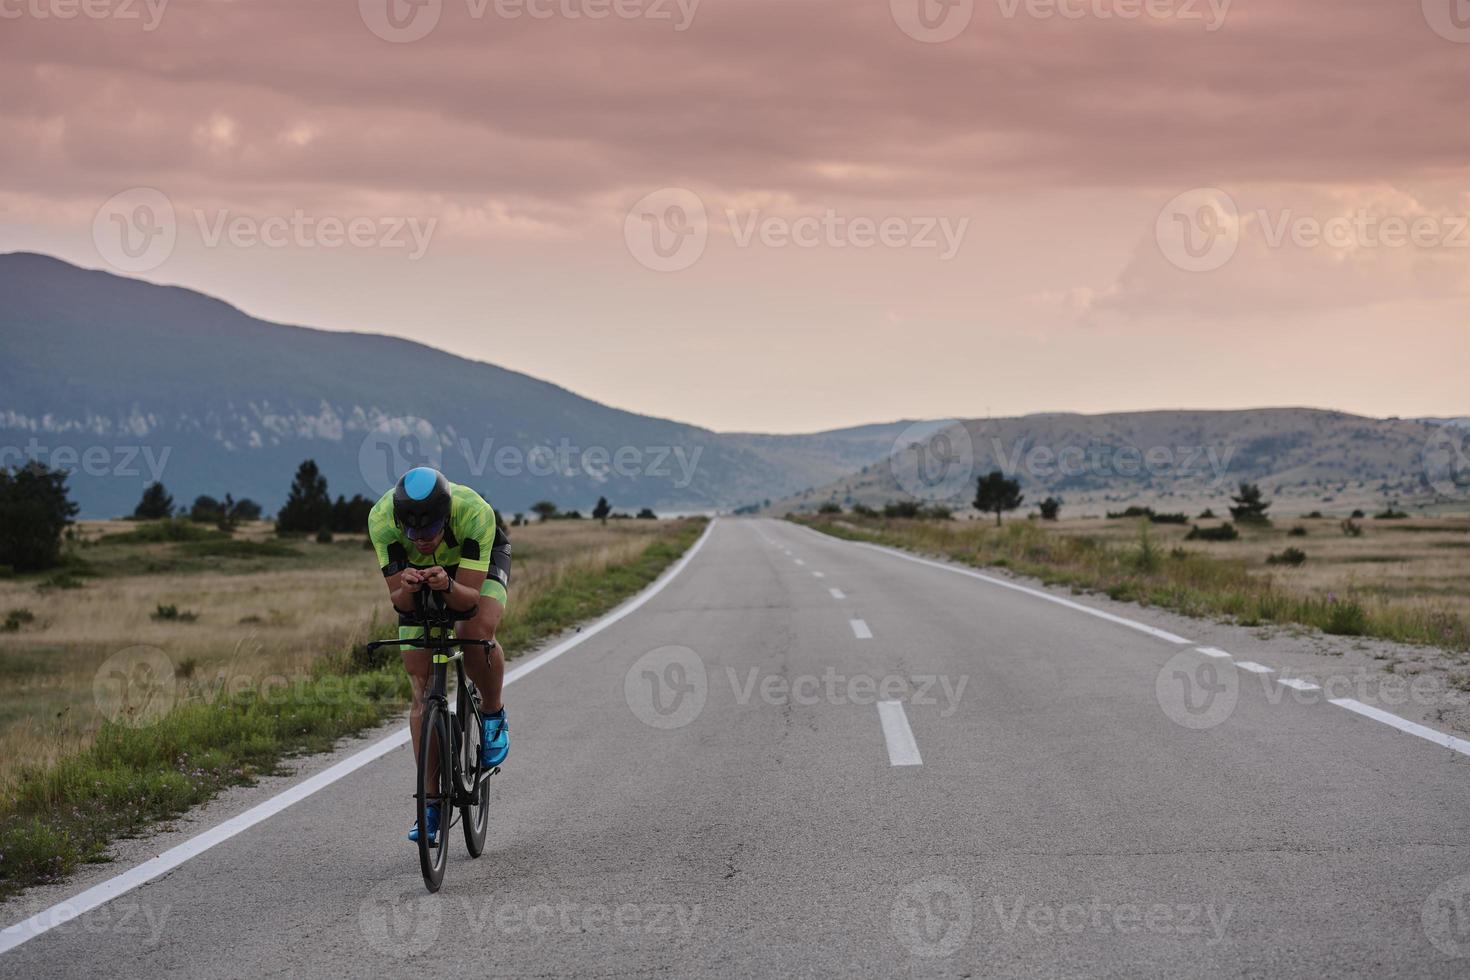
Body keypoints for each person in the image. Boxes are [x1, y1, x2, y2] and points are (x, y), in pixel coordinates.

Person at [367, 466, 511, 844]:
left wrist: (446, 582)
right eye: (413, 533)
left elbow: (468, 600)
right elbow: (398, 601)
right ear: (400, 522)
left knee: (471, 632)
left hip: (473, 565)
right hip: (423, 577)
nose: (423, 539)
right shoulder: (381, 520)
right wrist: (411, 589)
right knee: (420, 684)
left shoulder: (474, 513)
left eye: (430, 531)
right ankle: (430, 807)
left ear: (445, 517)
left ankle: (494, 714)